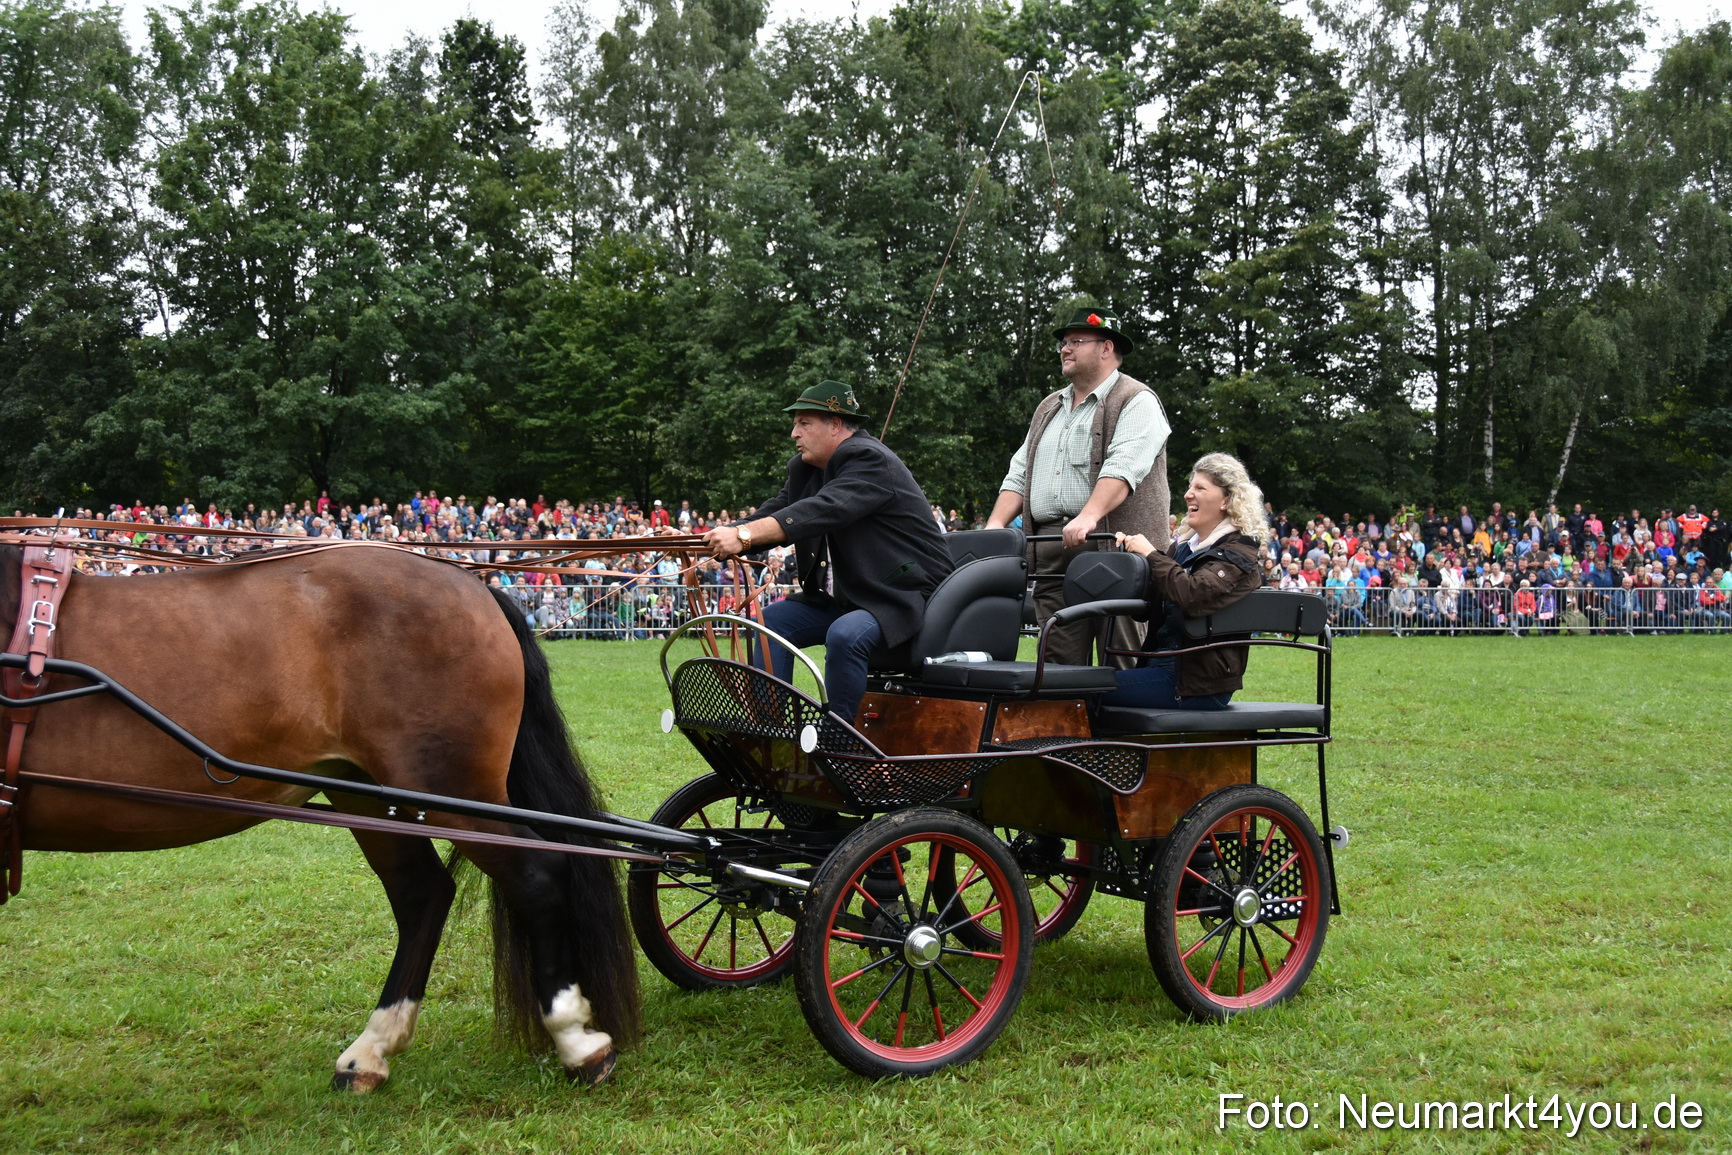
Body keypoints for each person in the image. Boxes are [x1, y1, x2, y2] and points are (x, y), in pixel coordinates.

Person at [704, 381, 953, 723]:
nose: (794, 433)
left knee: (845, 635)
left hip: (901, 597)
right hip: (848, 600)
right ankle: (773, 731)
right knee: (768, 622)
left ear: (835, 424)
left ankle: (838, 743)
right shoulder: (807, 470)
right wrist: (700, 538)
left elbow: (824, 508)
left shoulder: (870, 458)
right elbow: (773, 511)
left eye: (804, 423)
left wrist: (743, 535)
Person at [984, 305, 1170, 667]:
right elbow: (1020, 471)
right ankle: (1064, 723)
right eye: (1064, 343)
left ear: (1106, 348)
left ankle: (1116, 724)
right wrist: (995, 527)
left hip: (1115, 551)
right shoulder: (1049, 406)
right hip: (1050, 549)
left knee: (1121, 660)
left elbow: (1124, 466)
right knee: (1056, 664)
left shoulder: (1137, 400)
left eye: (1076, 341)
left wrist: (1088, 516)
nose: (1065, 349)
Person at [1099, 453, 1267, 711]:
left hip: (1196, 684)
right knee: (1079, 684)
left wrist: (1151, 555)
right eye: (1190, 487)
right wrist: (1129, 563)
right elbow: (1148, 610)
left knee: (1086, 692)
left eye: (1200, 487)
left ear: (1226, 500)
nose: (1189, 494)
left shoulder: (1239, 552)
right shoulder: (1183, 549)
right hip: (1163, 665)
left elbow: (1191, 593)